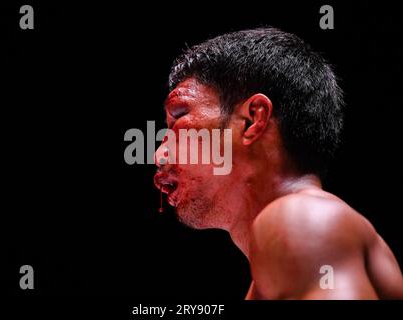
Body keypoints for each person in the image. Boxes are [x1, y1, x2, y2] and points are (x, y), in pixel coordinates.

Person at [153, 28, 403, 299]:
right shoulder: (279, 261)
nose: (159, 154)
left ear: (251, 120)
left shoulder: (301, 217)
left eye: (178, 116)